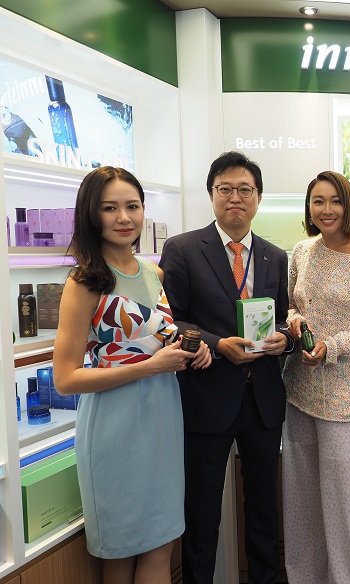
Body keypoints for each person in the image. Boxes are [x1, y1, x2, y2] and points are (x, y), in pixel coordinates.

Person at [53, 166, 212, 584]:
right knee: (120, 551)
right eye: (110, 208)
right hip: (115, 425)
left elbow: (159, 336)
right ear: (92, 214)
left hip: (163, 417)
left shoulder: (153, 272)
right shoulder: (84, 282)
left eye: (133, 206)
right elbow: (65, 379)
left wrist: (192, 348)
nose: (124, 217)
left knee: (162, 543)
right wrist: (151, 366)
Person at [158, 151, 295, 584]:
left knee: (264, 511)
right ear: (212, 195)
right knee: (202, 513)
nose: (235, 197)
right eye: (226, 189)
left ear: (258, 198)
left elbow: (282, 317)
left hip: (262, 399)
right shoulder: (183, 249)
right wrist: (218, 345)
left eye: (245, 190)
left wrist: (284, 339)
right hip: (207, 396)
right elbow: (171, 320)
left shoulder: (274, 256)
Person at [282, 170, 350, 583]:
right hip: (299, 392)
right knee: (303, 504)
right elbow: (292, 304)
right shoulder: (301, 251)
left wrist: (333, 346)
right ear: (309, 207)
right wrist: (295, 321)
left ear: (348, 205)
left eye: (335, 201)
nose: (326, 209)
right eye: (318, 201)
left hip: (345, 399)